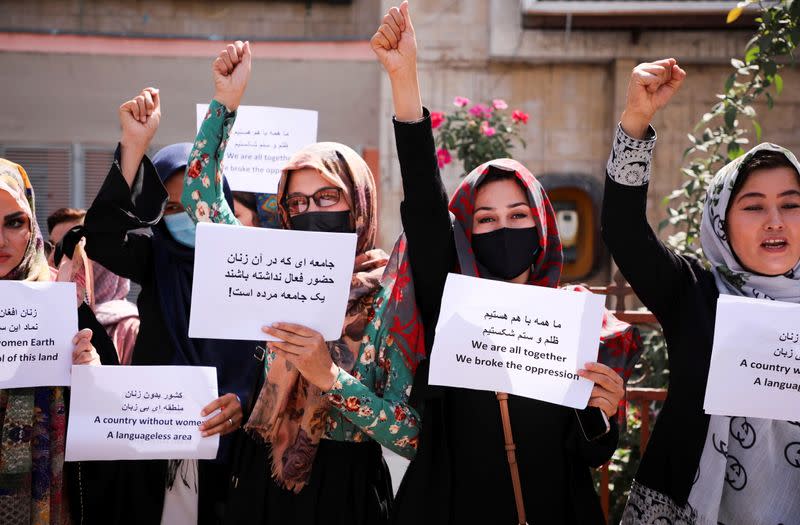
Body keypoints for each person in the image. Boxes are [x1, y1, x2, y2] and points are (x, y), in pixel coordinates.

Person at [373, 4, 636, 523]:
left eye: (518, 214)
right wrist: (405, 82)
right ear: (467, 234)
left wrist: (601, 412)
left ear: (542, 228)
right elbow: (426, 210)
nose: (503, 228)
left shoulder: (573, 325)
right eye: (486, 219)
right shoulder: (448, 302)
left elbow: (591, 453)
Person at [181, 40, 425, 525]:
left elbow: (410, 434)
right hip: (261, 480)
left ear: (359, 201)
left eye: (328, 197)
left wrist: (329, 377)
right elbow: (198, 192)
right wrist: (225, 103)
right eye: (298, 202)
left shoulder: (391, 293)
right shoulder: (272, 267)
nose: (311, 211)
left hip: (344, 490)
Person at [602, 59, 800, 524]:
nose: (775, 220)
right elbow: (625, 232)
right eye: (753, 206)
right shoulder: (696, 294)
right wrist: (635, 121)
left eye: (791, 205)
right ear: (721, 224)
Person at [82, 89, 261, 524]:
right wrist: (134, 146)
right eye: (174, 208)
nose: (188, 218)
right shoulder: (155, 258)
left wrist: (246, 400)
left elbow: (270, 355)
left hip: (230, 457)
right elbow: (103, 239)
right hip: (154, 446)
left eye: (198, 206)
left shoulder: (253, 265)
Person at [0, 158, 102, 524]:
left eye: (14, 223)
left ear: (31, 223)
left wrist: (89, 374)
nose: (1, 240)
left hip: (48, 497)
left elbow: (106, 421)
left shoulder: (64, 297)